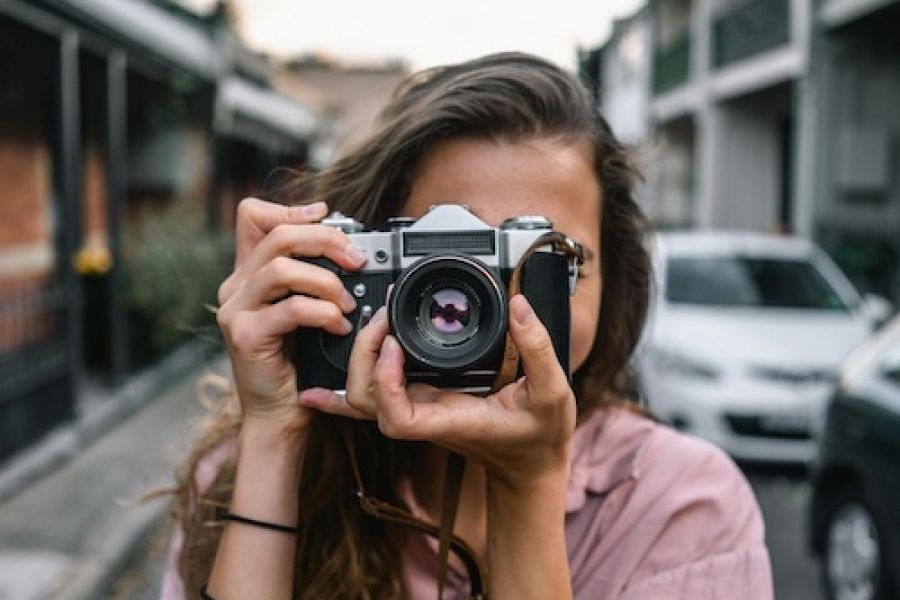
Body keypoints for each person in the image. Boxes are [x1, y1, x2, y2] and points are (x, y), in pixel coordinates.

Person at [162, 52, 772, 600]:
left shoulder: (683, 506)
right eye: (447, 263)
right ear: (361, 267)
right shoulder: (241, 473)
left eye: (549, 262)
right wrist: (274, 436)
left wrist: (527, 482)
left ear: (614, 284)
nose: (487, 304)